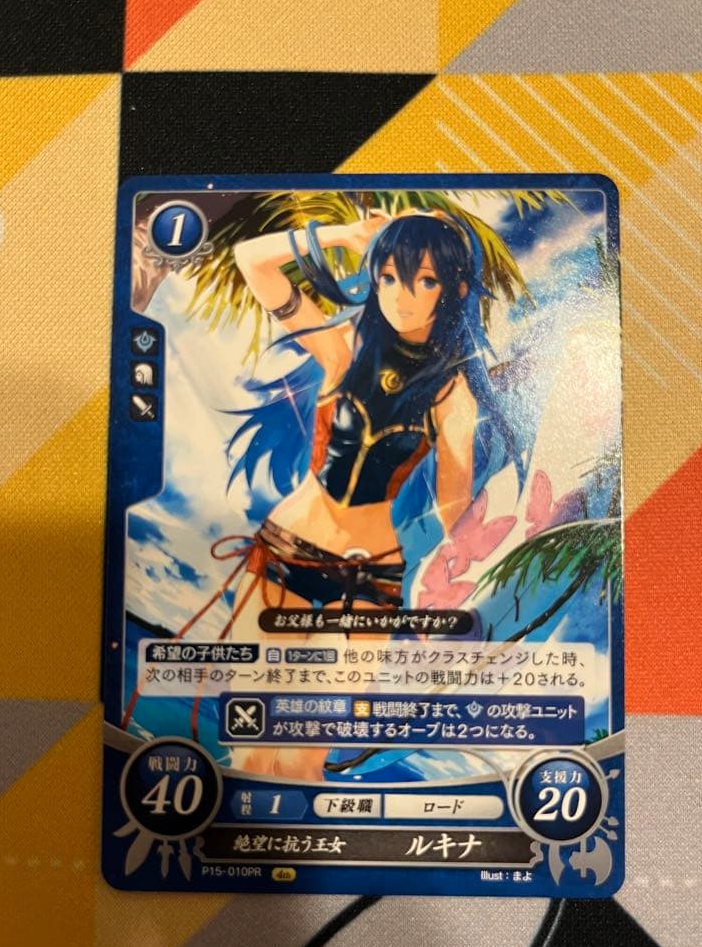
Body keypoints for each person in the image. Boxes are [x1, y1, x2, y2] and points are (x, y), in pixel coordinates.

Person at [221, 208, 523, 778]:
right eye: (388, 276)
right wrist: (348, 235)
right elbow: (249, 260)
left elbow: (452, 507)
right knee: (252, 747)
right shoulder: (344, 348)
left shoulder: (453, 393)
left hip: (370, 579)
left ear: (454, 289)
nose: (400, 296)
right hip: (285, 552)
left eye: (423, 280)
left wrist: (458, 582)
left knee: (304, 760)